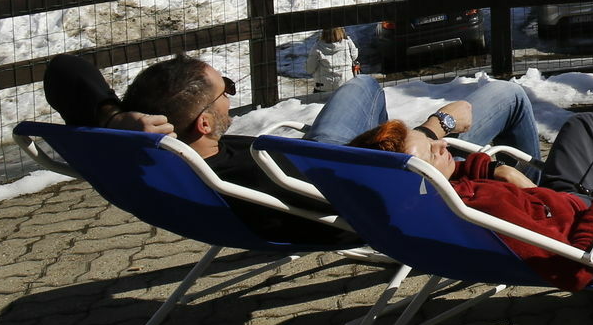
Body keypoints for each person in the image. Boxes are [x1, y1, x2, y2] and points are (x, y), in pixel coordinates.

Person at [42, 54, 538, 243]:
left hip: (313, 166)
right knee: (507, 95)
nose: (232, 96)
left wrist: (108, 117)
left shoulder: (143, 158)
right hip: (342, 179)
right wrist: (433, 130)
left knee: (362, 88)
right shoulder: (238, 176)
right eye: (226, 91)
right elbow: (370, 188)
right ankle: (549, 208)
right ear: (204, 121)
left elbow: (65, 69)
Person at [349, 113, 593, 291]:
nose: (443, 143)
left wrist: (497, 170)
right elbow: (575, 266)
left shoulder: (433, 203)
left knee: (586, 124)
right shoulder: (483, 207)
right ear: (415, 177)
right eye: (433, 152)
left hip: (569, 206)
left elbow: (463, 179)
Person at [309, 26, 358, 94]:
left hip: (323, 86)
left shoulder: (317, 46)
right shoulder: (347, 42)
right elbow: (354, 56)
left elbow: (309, 68)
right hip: (345, 83)